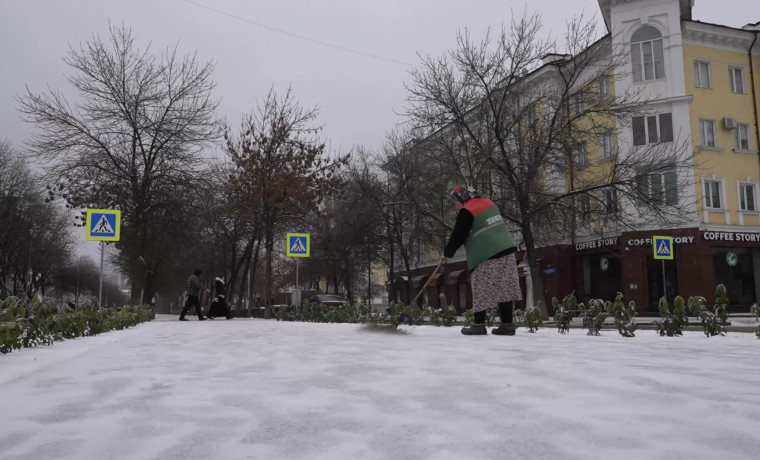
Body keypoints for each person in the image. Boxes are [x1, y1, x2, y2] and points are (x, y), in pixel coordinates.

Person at [443, 185, 522, 335]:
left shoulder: (467, 210)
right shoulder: (489, 203)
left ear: (462, 197)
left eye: (455, 199)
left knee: (480, 287)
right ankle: (507, 324)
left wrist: (447, 253)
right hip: (506, 249)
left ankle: (478, 324)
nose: (455, 203)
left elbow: (459, 234)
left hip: (486, 254)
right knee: (504, 286)